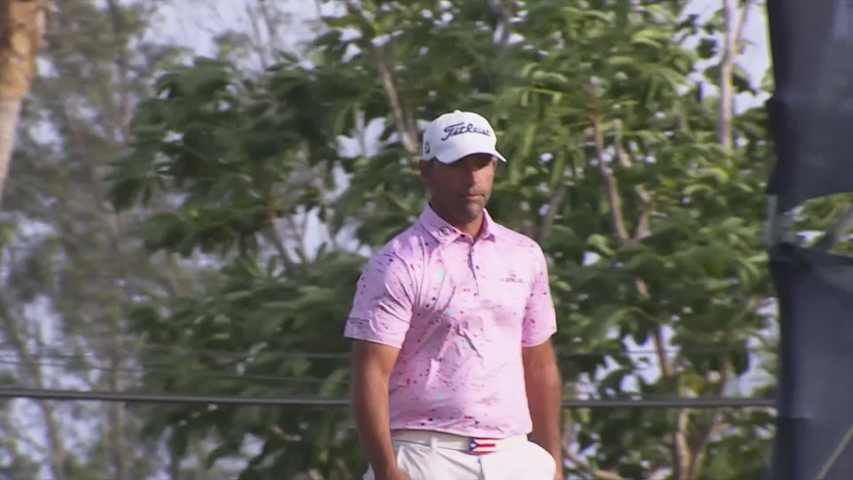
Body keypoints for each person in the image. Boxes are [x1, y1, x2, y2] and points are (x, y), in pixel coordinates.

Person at [344, 110, 563, 480]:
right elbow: (370, 374)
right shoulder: (399, 262)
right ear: (426, 171)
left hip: (516, 455)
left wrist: (553, 463)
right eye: (458, 164)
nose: (472, 177)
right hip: (426, 455)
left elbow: (540, 366)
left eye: (482, 163)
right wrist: (386, 470)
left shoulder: (524, 255)